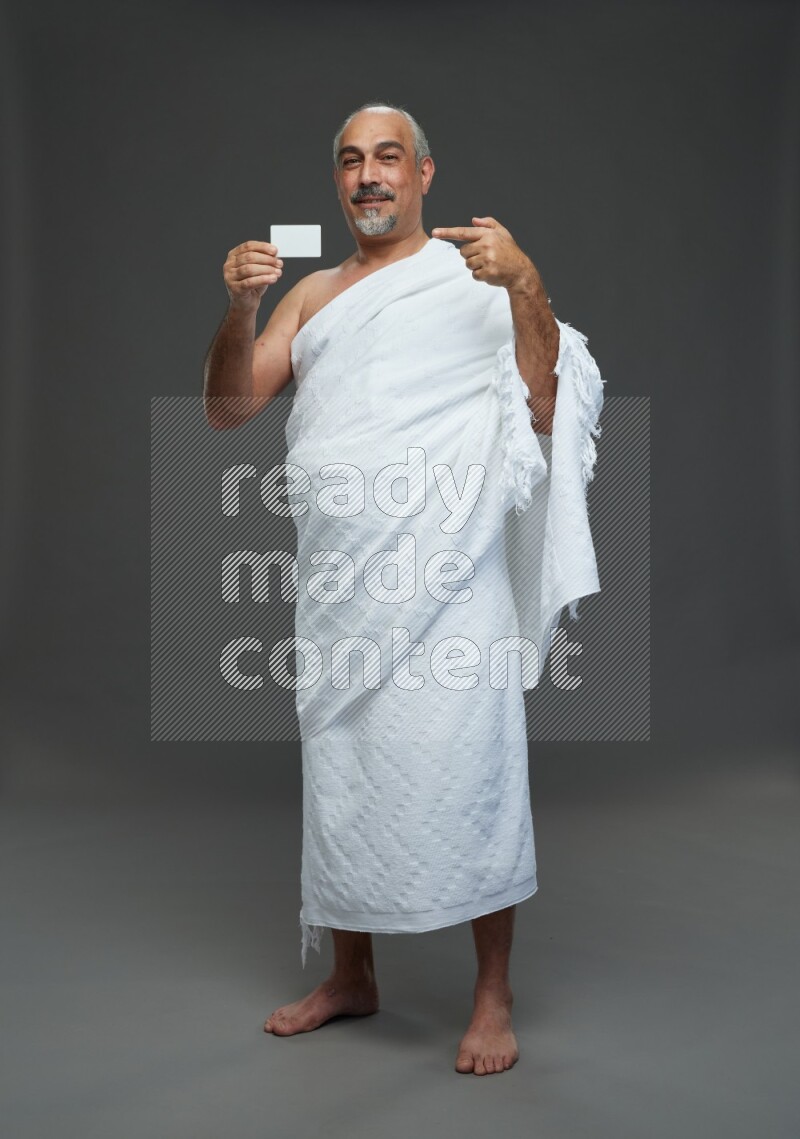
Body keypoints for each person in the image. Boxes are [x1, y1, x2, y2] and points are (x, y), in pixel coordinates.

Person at [203, 101, 604, 1076]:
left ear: (425, 174)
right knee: (345, 771)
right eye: (350, 161)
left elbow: (546, 401)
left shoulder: (476, 276)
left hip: (449, 572)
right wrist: (243, 308)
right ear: (337, 182)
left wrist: (527, 281)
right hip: (345, 576)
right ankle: (351, 974)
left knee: (469, 766)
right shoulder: (309, 294)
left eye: (387, 157)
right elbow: (226, 408)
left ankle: (491, 991)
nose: (367, 175)